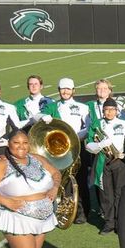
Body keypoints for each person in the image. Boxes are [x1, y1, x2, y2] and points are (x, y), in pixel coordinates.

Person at [46, 77, 91, 224]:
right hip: (60, 150)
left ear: (73, 90)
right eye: (62, 89)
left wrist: (75, 138)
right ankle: (62, 212)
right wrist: (43, 117)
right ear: (59, 90)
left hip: (78, 147)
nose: (65, 91)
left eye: (68, 89)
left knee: (80, 181)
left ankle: (82, 213)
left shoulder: (83, 107)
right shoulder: (53, 107)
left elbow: (88, 127)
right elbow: (38, 117)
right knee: (63, 181)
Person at [85, 99, 125, 236]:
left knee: (121, 192)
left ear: (117, 111)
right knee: (105, 193)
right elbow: (89, 145)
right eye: (106, 109)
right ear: (103, 111)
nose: (109, 112)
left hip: (120, 161)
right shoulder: (97, 124)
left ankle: (120, 222)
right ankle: (109, 222)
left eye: (112, 109)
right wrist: (101, 145)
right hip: (102, 160)